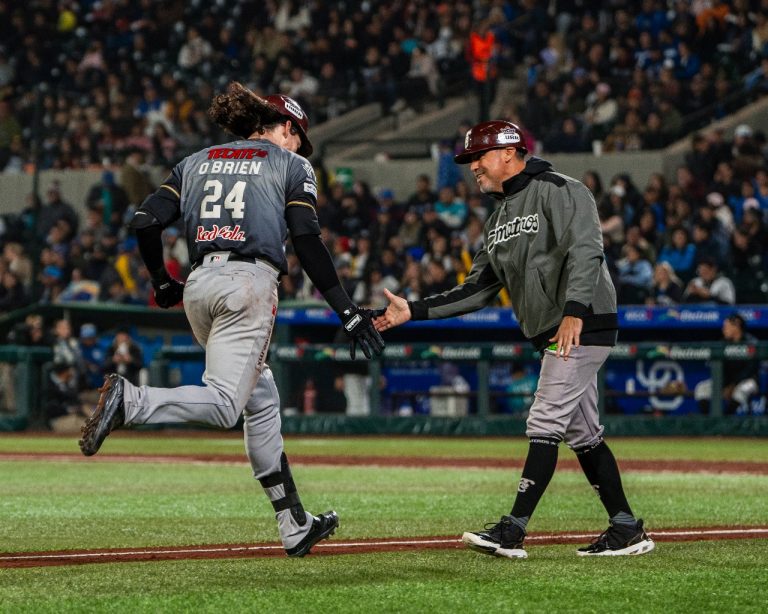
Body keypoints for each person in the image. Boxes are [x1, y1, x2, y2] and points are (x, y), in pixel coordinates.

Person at [78, 84, 384, 558]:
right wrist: (346, 311)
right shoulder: (291, 164)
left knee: (259, 398)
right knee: (225, 405)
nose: (300, 146)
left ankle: (294, 523)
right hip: (248, 285)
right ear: (286, 127)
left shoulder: (197, 159)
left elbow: (144, 221)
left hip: (199, 286)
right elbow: (305, 237)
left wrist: (162, 281)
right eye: (299, 137)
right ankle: (132, 402)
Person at [373, 120, 653, 559]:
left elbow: (587, 248)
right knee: (583, 434)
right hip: (555, 328)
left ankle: (513, 529)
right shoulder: (498, 217)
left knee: (544, 423)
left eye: (478, 157)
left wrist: (575, 312)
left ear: (509, 152)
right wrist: (415, 310)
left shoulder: (561, 188)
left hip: (581, 322)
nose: (472, 168)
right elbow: (477, 290)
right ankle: (625, 527)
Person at [694, 314, 761, 415]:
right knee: (702, 388)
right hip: (727, 382)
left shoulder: (751, 343)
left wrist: (733, 385)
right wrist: (724, 385)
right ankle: (709, 421)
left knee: (741, 390)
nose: (723, 329)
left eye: (726, 326)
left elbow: (750, 370)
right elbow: (721, 369)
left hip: (748, 381)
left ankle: (726, 420)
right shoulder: (723, 343)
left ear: (737, 326)